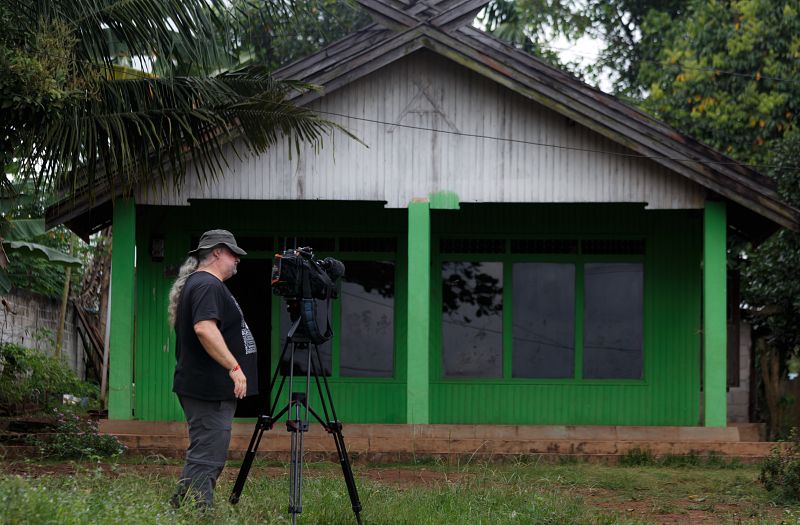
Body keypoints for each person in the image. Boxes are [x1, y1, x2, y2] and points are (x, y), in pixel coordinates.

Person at [167, 229, 258, 510]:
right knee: (208, 456)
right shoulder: (207, 284)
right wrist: (234, 367)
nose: (238, 259)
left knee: (205, 453)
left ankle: (177, 509)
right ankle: (199, 513)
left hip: (207, 388)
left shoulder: (204, 283)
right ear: (217, 252)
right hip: (208, 389)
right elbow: (204, 328)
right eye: (233, 253)